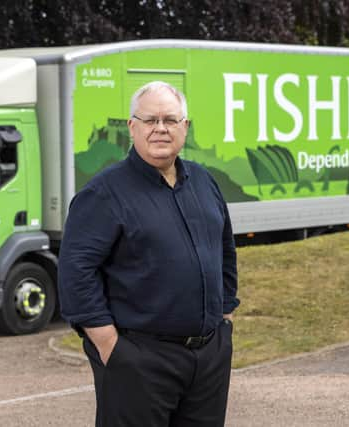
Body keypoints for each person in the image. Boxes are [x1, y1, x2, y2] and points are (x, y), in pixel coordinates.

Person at [58, 81, 239, 427]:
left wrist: (226, 317)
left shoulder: (204, 182)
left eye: (170, 120)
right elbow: (75, 272)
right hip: (138, 360)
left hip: (208, 358)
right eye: (150, 120)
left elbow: (225, 251)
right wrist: (111, 346)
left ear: (185, 127)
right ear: (132, 127)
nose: (160, 129)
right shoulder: (103, 193)